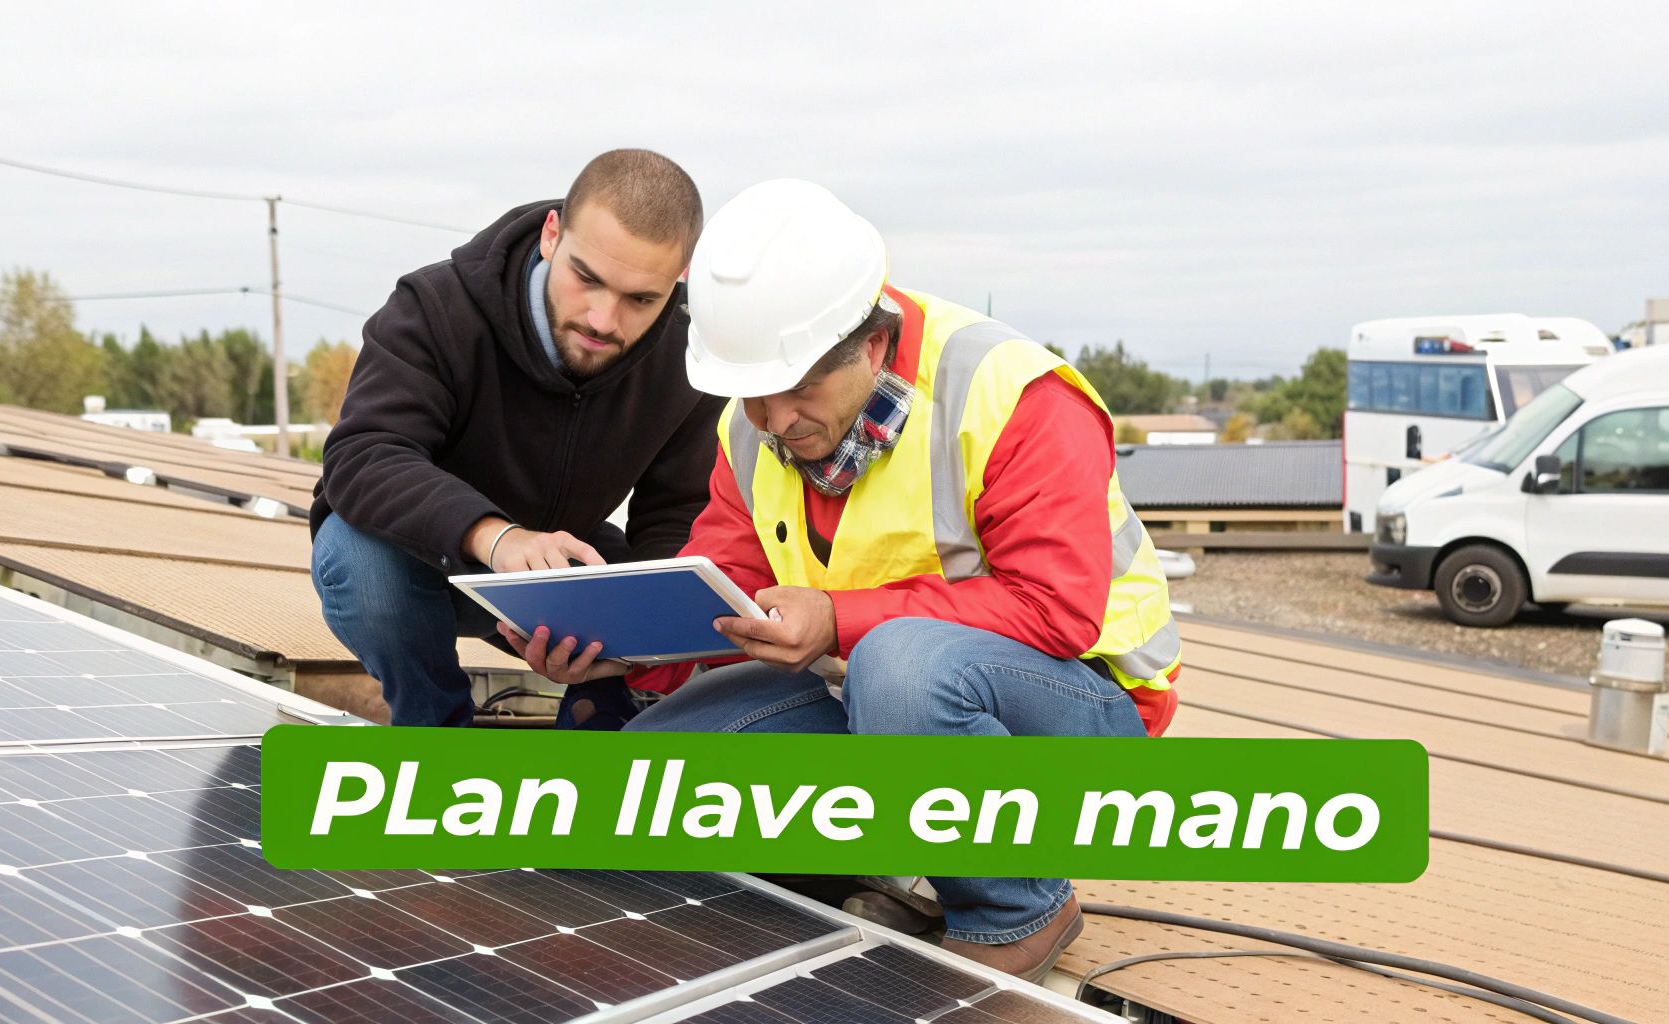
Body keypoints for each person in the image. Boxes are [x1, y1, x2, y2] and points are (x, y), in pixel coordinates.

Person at [504, 178, 1181, 982]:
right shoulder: (751, 427)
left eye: (798, 389)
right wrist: (625, 651)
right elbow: (725, 591)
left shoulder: (1013, 395)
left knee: (902, 667)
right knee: (637, 794)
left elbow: (1055, 610)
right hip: (873, 703)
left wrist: (836, 620)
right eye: (753, 394)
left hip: (1078, 712)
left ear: (872, 345)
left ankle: (1016, 907)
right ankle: (886, 872)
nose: (774, 420)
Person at [310, 149, 724, 730]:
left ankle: (602, 722)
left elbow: (679, 516)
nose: (603, 319)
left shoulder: (691, 355)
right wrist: (495, 537)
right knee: (358, 557)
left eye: (641, 299)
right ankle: (435, 733)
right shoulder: (436, 307)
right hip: (425, 563)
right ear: (552, 234)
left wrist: (634, 640)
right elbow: (363, 455)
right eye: (588, 279)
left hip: (558, 567)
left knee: (692, 596)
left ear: (679, 277)